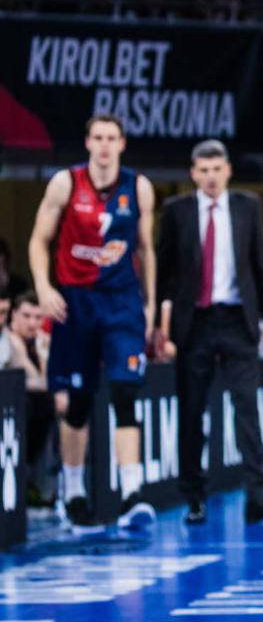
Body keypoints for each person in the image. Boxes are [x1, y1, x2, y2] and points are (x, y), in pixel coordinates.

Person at [28, 114, 156, 532]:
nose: (104, 145)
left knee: (124, 392)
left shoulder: (138, 186)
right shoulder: (66, 183)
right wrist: (44, 288)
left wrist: (151, 303)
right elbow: (38, 239)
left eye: (111, 138)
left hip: (121, 302)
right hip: (75, 301)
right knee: (77, 402)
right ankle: (74, 492)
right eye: (97, 137)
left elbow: (146, 248)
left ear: (122, 143)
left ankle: (133, 493)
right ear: (87, 142)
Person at [157, 139, 263, 526]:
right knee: (192, 412)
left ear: (227, 170)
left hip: (237, 319)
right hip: (192, 322)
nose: (211, 177)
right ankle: (194, 498)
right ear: (193, 173)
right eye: (204, 170)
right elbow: (164, 272)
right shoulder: (175, 211)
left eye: (217, 169)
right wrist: (160, 326)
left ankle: (257, 495)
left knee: (247, 407)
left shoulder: (247, 205)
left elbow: (260, 267)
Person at [4, 292, 54, 508]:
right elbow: (36, 378)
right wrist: (44, 358)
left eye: (38, 317)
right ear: (13, 316)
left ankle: (44, 488)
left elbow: (50, 382)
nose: (33, 323)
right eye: (26, 316)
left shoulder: (42, 342)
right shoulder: (10, 340)